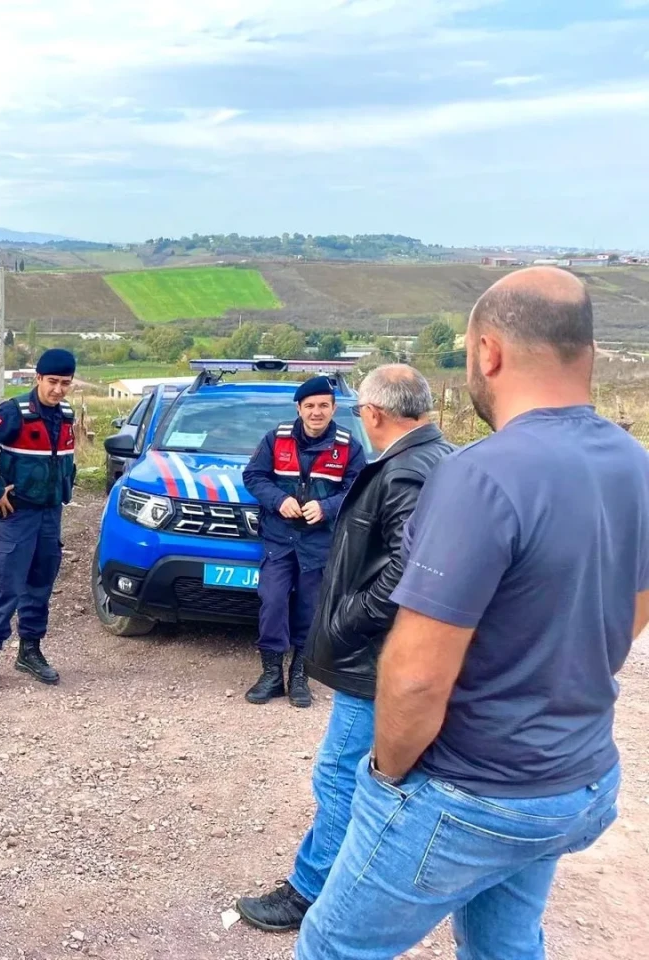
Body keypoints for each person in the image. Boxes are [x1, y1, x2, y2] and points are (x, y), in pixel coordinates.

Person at [296, 267, 649, 960]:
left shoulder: (479, 474)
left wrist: (386, 779)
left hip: (473, 791)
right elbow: (630, 607)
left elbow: (417, 677)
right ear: (588, 350)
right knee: (503, 946)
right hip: (576, 780)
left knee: (331, 948)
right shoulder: (634, 463)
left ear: (488, 352)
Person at [236, 365, 452, 932]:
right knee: (377, 774)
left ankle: (312, 894)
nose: (329, 414)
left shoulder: (403, 469)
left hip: (379, 657)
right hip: (297, 555)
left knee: (338, 774)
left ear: (373, 414)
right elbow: (254, 477)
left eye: (348, 409)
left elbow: (409, 567)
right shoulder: (441, 456)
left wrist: (350, 620)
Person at [242, 376, 366, 707]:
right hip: (280, 539)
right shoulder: (276, 439)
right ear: (299, 408)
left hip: (319, 543)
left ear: (333, 408)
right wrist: (278, 500)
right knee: (273, 602)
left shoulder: (348, 446)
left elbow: (358, 490)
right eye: (309, 406)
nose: (316, 412)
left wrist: (326, 507)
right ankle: (271, 675)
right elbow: (253, 476)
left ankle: (299, 676)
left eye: (323, 405)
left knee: (310, 611)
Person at [0, 348, 77, 694]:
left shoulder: (67, 415)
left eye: (65, 383)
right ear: (38, 378)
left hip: (50, 514)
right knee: (5, 586)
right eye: (52, 381)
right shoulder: (13, 413)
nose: (58, 390)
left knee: (40, 584)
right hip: (17, 514)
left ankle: (30, 651)